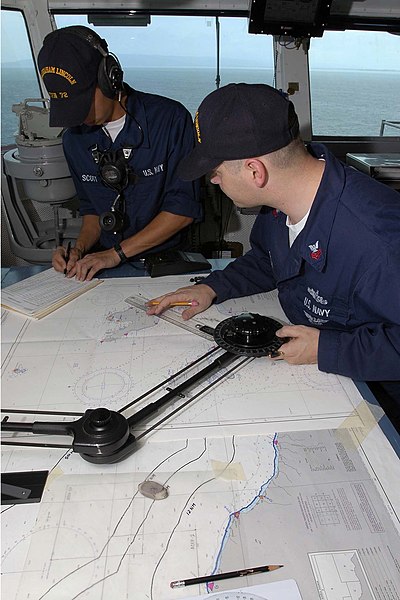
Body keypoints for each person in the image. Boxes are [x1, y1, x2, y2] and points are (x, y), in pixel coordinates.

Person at [147, 83, 400, 386]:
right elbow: (269, 261)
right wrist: (212, 287)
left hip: (379, 393)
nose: (213, 180)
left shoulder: (379, 239)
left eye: (216, 171)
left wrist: (327, 349)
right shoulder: (278, 205)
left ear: (256, 171)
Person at [38, 26, 201, 281]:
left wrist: (116, 254)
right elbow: (92, 209)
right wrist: (79, 249)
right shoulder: (73, 139)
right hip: (103, 262)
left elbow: (183, 210)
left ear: (108, 78)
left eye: (82, 103)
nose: (79, 116)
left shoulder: (170, 120)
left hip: (163, 263)